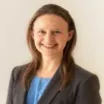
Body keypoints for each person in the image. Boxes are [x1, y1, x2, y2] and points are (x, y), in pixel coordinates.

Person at [6, 4, 102, 104]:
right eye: (41, 32)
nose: (48, 40)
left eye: (56, 32)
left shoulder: (84, 81)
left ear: (69, 35)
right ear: (32, 34)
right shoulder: (17, 74)